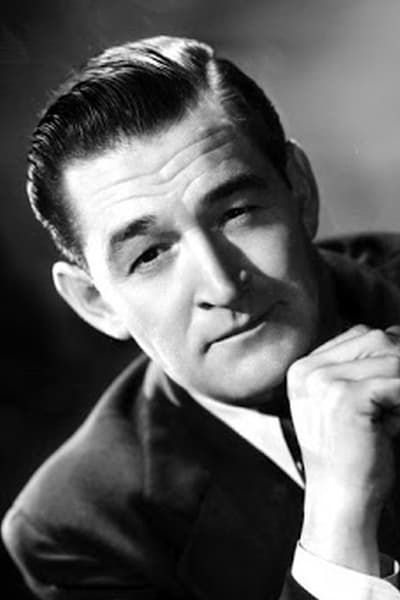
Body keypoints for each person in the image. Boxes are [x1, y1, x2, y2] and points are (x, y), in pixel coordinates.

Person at [3, 35, 400, 600]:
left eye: (237, 212)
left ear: (301, 193)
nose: (221, 285)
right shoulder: (77, 531)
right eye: (149, 256)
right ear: (96, 303)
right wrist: (337, 523)